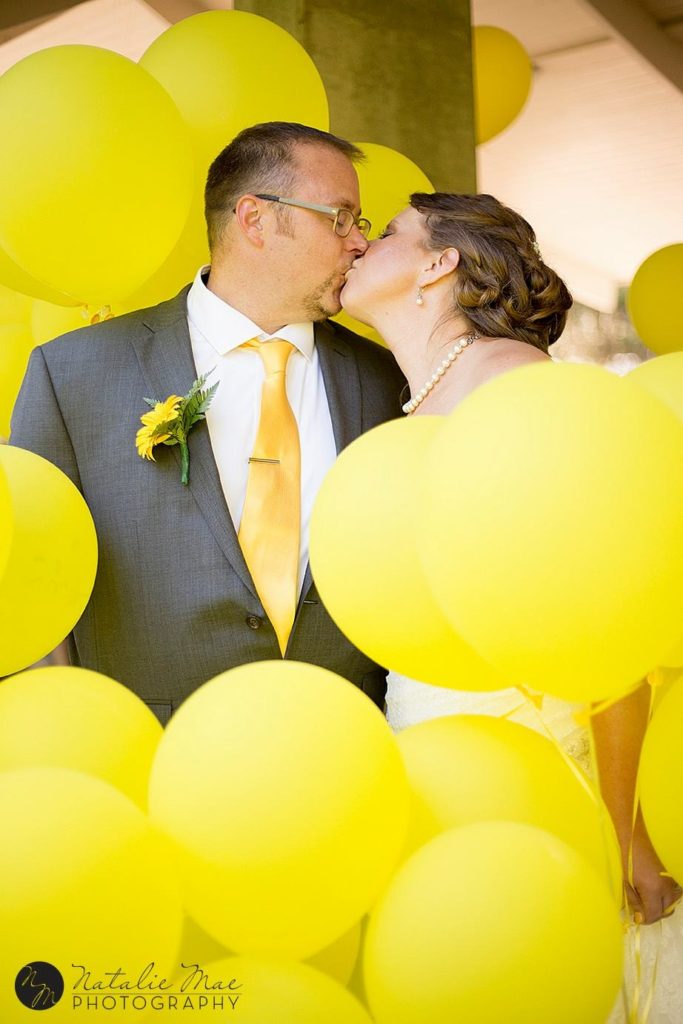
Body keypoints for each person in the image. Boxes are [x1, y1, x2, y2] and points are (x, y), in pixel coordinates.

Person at [340, 190, 682, 1024]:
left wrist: (622, 835)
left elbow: (604, 627)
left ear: (437, 263)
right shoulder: (418, 396)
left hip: (538, 763)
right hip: (430, 747)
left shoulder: (514, 388)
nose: (359, 245)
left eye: (385, 232)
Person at [9, 121, 405, 723]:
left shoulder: (388, 381)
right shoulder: (75, 375)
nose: (358, 244)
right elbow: (28, 580)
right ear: (255, 219)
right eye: (340, 218)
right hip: (145, 756)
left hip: (344, 754)